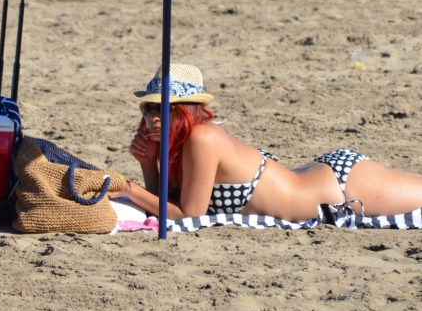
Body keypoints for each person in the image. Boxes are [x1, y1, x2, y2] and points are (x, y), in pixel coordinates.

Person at [109, 64, 422, 221]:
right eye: (149, 107)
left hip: (344, 187)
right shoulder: (186, 144)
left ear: (186, 109)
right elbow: (166, 204)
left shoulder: (203, 137)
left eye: (163, 108)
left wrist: (129, 189)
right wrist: (149, 164)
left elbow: (190, 216)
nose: (153, 117)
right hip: (322, 178)